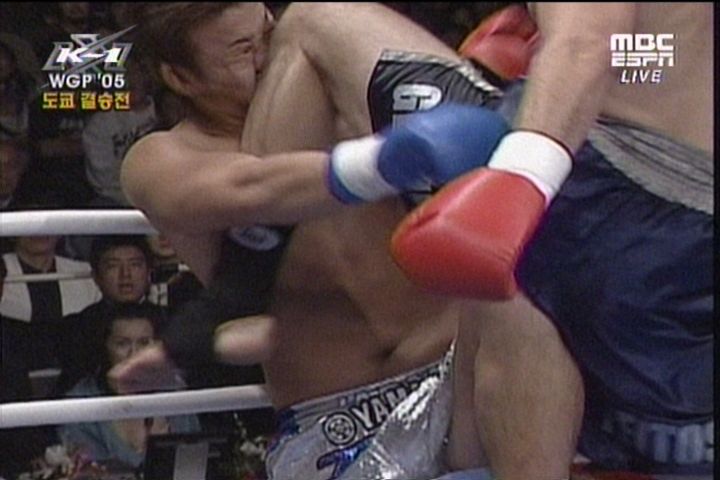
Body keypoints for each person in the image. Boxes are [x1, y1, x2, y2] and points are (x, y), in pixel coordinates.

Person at [111, 3, 508, 480]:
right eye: (242, 50)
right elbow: (253, 190)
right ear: (181, 77)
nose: (268, 55)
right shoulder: (160, 158)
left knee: (314, 14)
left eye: (268, 32)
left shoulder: (341, 88)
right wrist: (384, 161)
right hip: (339, 428)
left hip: (460, 376)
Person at [388, 3, 713, 478]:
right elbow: (658, 54)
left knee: (513, 259)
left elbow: (588, 42)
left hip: (631, 190)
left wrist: (521, 176)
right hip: (678, 203)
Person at [57, 302, 200, 470]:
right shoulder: (80, 402)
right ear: (104, 347)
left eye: (144, 343)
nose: (134, 354)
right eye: (122, 344)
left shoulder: (176, 395)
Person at [53, 235, 153, 396]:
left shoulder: (168, 321)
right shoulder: (76, 328)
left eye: (135, 264)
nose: (125, 274)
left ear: (149, 272)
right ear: (96, 276)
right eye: (113, 266)